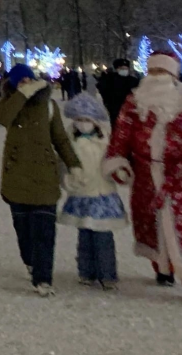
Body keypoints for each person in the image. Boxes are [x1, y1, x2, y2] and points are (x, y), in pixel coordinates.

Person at [104, 51, 182, 303]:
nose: (157, 77)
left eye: (163, 72)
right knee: (152, 225)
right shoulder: (134, 101)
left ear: (173, 75)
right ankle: (163, 267)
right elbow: (121, 134)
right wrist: (118, 160)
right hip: (145, 175)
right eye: (153, 72)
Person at [0, 63, 83, 297]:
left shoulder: (49, 106)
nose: (25, 84)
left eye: (28, 80)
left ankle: (43, 277)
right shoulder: (9, 104)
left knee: (44, 230)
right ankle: (31, 261)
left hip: (44, 175)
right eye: (20, 81)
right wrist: (20, 96)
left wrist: (74, 164)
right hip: (17, 177)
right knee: (24, 230)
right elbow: (3, 119)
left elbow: (61, 139)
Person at [58, 94, 128, 290]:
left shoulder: (106, 140)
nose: (82, 124)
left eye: (87, 120)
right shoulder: (69, 140)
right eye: (79, 120)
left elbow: (116, 159)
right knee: (85, 236)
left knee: (103, 237)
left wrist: (120, 170)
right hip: (81, 194)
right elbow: (62, 164)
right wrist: (68, 179)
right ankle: (86, 272)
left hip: (102, 194)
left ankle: (108, 274)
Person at [95, 59, 140, 126]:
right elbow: (102, 89)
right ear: (117, 69)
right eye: (122, 68)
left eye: (126, 68)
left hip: (130, 109)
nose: (124, 70)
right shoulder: (110, 79)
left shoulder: (133, 80)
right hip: (114, 109)